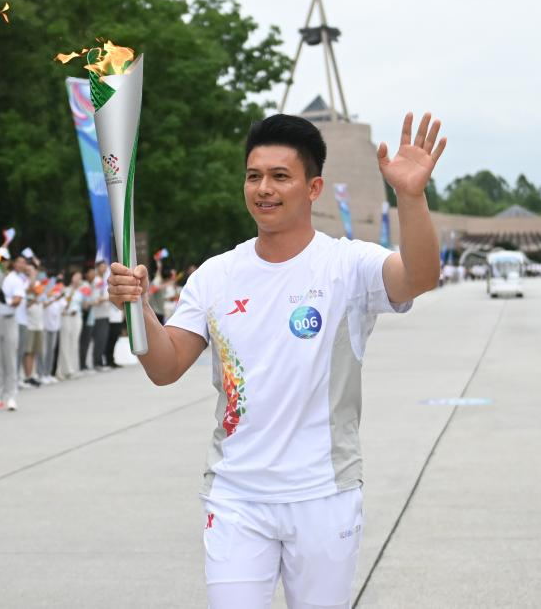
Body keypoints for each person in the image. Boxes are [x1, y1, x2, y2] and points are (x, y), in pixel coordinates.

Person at [109, 112, 444, 609]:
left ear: (313, 188)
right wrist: (138, 309)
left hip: (323, 493)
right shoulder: (216, 276)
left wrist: (410, 198)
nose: (263, 188)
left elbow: (419, 276)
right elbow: (166, 366)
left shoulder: (347, 265)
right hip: (236, 496)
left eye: (280, 176)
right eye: (254, 176)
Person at [0, 253, 27, 411]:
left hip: (9, 320)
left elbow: (18, 299)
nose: (0, 263)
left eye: (3, 260)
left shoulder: (14, 280)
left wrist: (7, 301)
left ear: (8, 262)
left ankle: (11, 396)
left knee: (10, 359)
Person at [57, 269, 85, 381]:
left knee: (74, 342)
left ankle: (74, 368)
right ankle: (64, 370)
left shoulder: (81, 291)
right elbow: (62, 304)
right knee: (65, 343)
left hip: (77, 318)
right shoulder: (65, 290)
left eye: (80, 277)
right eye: (76, 276)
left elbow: (83, 304)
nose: (78, 279)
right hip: (66, 317)